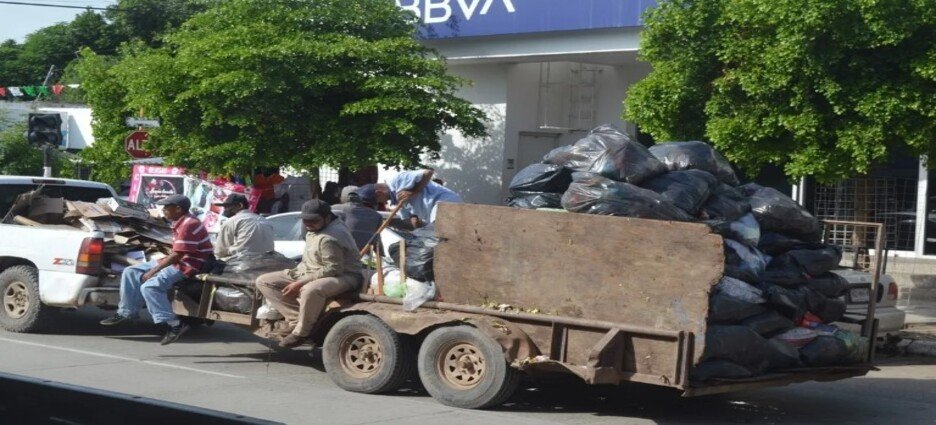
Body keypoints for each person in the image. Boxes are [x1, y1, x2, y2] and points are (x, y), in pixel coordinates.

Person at [100, 195, 213, 345]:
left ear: (178, 209)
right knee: (131, 272)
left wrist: (153, 271)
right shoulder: (180, 222)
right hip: (179, 259)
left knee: (150, 287)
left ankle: (175, 325)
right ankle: (125, 312)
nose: (164, 210)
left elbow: (178, 255)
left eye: (167, 207)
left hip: (190, 264)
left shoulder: (189, 224)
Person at [256, 200, 363, 348]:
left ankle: (302, 333)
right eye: (305, 220)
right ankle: (297, 319)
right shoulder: (317, 227)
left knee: (310, 290)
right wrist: (298, 275)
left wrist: (300, 282)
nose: (308, 224)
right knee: (264, 281)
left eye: (313, 220)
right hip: (310, 270)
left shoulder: (330, 237)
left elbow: (333, 269)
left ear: (327, 217)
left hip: (344, 275)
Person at [375, 169, 462, 228]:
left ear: (379, 193)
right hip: (433, 214)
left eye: (377, 200)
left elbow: (428, 173)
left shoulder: (397, 180)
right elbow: (409, 217)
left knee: (439, 232)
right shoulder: (395, 201)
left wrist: (413, 191)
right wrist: (414, 220)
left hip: (443, 201)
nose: (381, 203)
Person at [213, 193, 275, 261]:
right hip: (267, 261)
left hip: (241, 263)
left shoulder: (231, 222)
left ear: (240, 205)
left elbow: (220, 252)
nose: (225, 209)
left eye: (227, 206)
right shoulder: (265, 220)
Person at [333, 184, 383, 252]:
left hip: (338, 253)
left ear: (342, 196)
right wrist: (381, 255)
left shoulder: (334, 209)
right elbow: (377, 240)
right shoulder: (376, 215)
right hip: (364, 255)